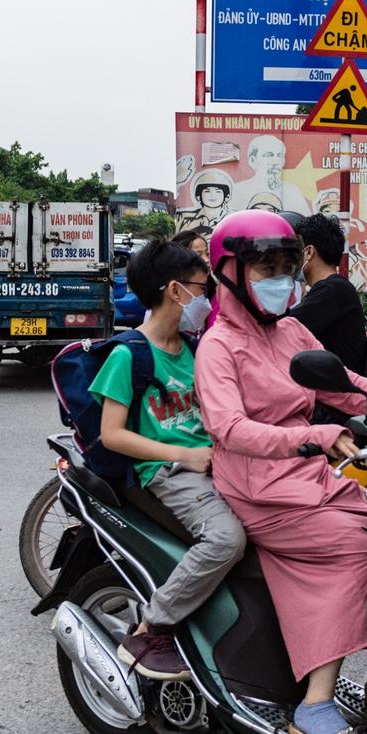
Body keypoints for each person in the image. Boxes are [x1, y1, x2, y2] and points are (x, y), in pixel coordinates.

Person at [195, 210, 367, 734]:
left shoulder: (290, 330)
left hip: (306, 476)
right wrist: (314, 438)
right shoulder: (219, 346)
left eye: (288, 267)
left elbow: (344, 383)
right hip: (259, 490)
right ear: (230, 272)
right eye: (267, 268)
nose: (281, 278)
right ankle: (315, 704)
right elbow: (228, 430)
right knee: (359, 545)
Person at [94, 238, 245, 682]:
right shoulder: (129, 355)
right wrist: (183, 454)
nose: (209, 298)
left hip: (212, 463)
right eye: (204, 287)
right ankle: (152, 627)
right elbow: (112, 434)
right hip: (166, 472)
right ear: (175, 291)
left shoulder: (197, 349)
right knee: (225, 540)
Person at [284, 212, 367, 374]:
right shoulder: (332, 288)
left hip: (339, 394)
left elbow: (283, 327)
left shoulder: (333, 290)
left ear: (308, 252)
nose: (288, 260)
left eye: (294, 251)